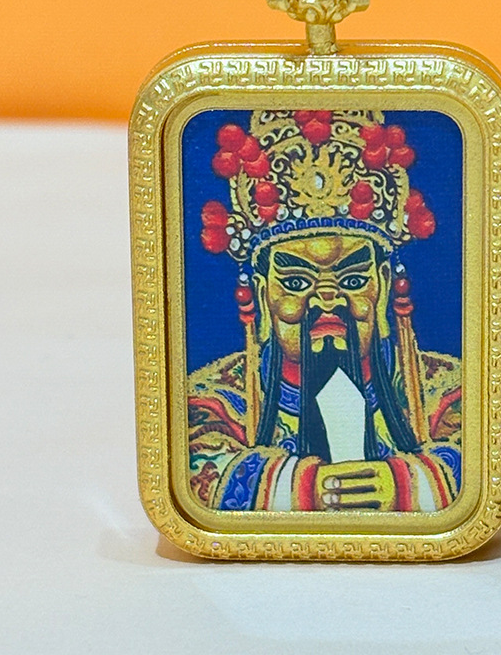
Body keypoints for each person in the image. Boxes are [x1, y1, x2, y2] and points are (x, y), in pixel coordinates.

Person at [187, 109, 462, 511]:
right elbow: (199, 467)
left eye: (352, 280)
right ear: (262, 294)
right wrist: (305, 489)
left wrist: (404, 485)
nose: (326, 300)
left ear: (384, 285)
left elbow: (479, 458)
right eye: (298, 282)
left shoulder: (441, 389)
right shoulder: (219, 399)